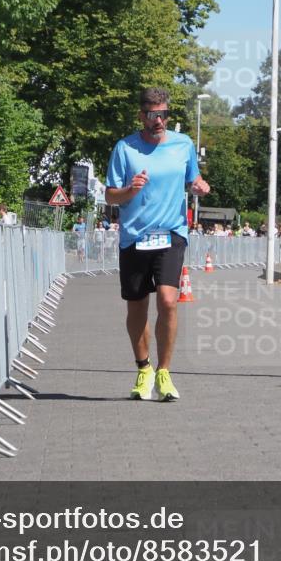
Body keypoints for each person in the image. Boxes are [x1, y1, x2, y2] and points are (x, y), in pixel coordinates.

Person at [105, 87, 209, 402]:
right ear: (142, 116)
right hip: (135, 235)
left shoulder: (183, 144)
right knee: (137, 306)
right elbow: (111, 195)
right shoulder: (125, 148)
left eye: (163, 114)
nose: (159, 121)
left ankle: (164, 372)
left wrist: (198, 186)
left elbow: (193, 179)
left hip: (171, 232)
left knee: (167, 300)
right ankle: (143, 368)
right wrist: (130, 190)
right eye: (153, 115)